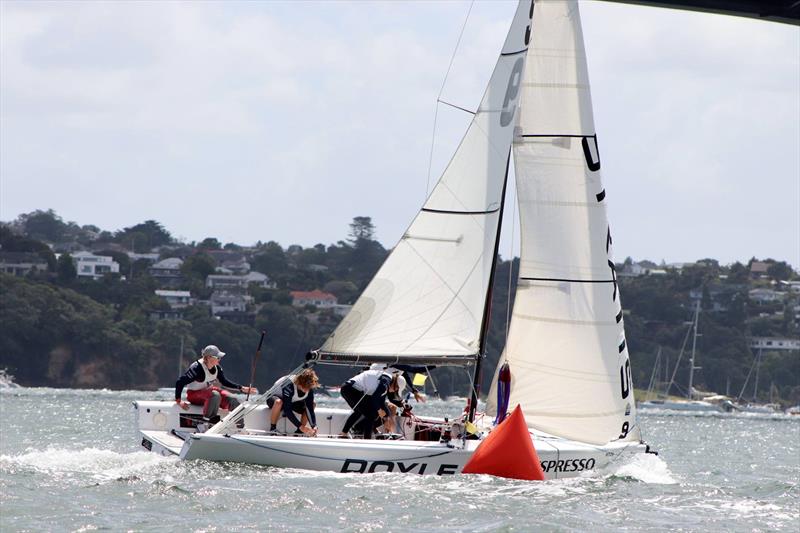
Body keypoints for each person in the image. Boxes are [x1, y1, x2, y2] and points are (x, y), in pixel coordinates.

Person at [175, 345, 257, 424]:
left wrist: (241, 388)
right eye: (218, 357)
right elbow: (180, 382)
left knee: (232, 399)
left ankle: (239, 427)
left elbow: (224, 381)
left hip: (208, 393)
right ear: (208, 357)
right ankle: (206, 423)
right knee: (215, 395)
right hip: (193, 395)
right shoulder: (197, 368)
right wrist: (179, 401)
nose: (220, 359)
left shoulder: (217, 367)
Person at [339, 368, 405, 439]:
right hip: (350, 389)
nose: (393, 392)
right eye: (396, 389)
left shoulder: (387, 382)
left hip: (350, 388)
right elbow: (375, 397)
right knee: (370, 415)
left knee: (360, 411)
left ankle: (344, 433)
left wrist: (387, 418)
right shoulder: (386, 381)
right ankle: (367, 439)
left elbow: (381, 402)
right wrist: (379, 410)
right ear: (395, 384)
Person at [266, 368, 319, 436]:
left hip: (292, 400)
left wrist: (314, 426)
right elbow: (287, 409)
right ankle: (273, 429)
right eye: (306, 387)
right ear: (300, 383)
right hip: (273, 398)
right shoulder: (289, 384)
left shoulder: (309, 387)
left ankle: (299, 432)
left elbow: (310, 409)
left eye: (309, 388)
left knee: (312, 404)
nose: (307, 390)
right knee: (279, 402)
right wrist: (301, 426)